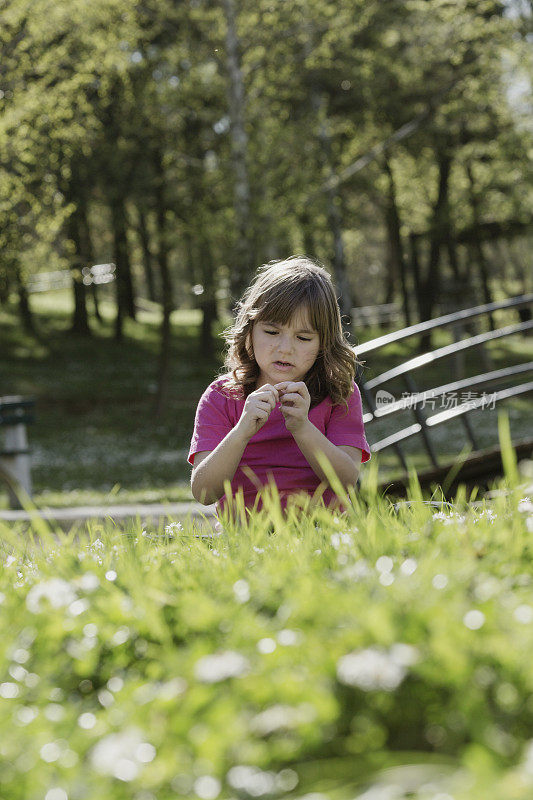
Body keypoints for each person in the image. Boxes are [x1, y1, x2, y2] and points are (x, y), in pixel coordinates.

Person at [188, 256, 370, 517]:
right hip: (248, 541)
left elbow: (346, 481)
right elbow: (204, 492)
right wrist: (241, 432)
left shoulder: (339, 392)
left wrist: (303, 428)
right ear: (249, 330)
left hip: (324, 535)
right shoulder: (221, 396)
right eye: (272, 333)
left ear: (324, 343)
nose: (285, 349)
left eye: (303, 337)